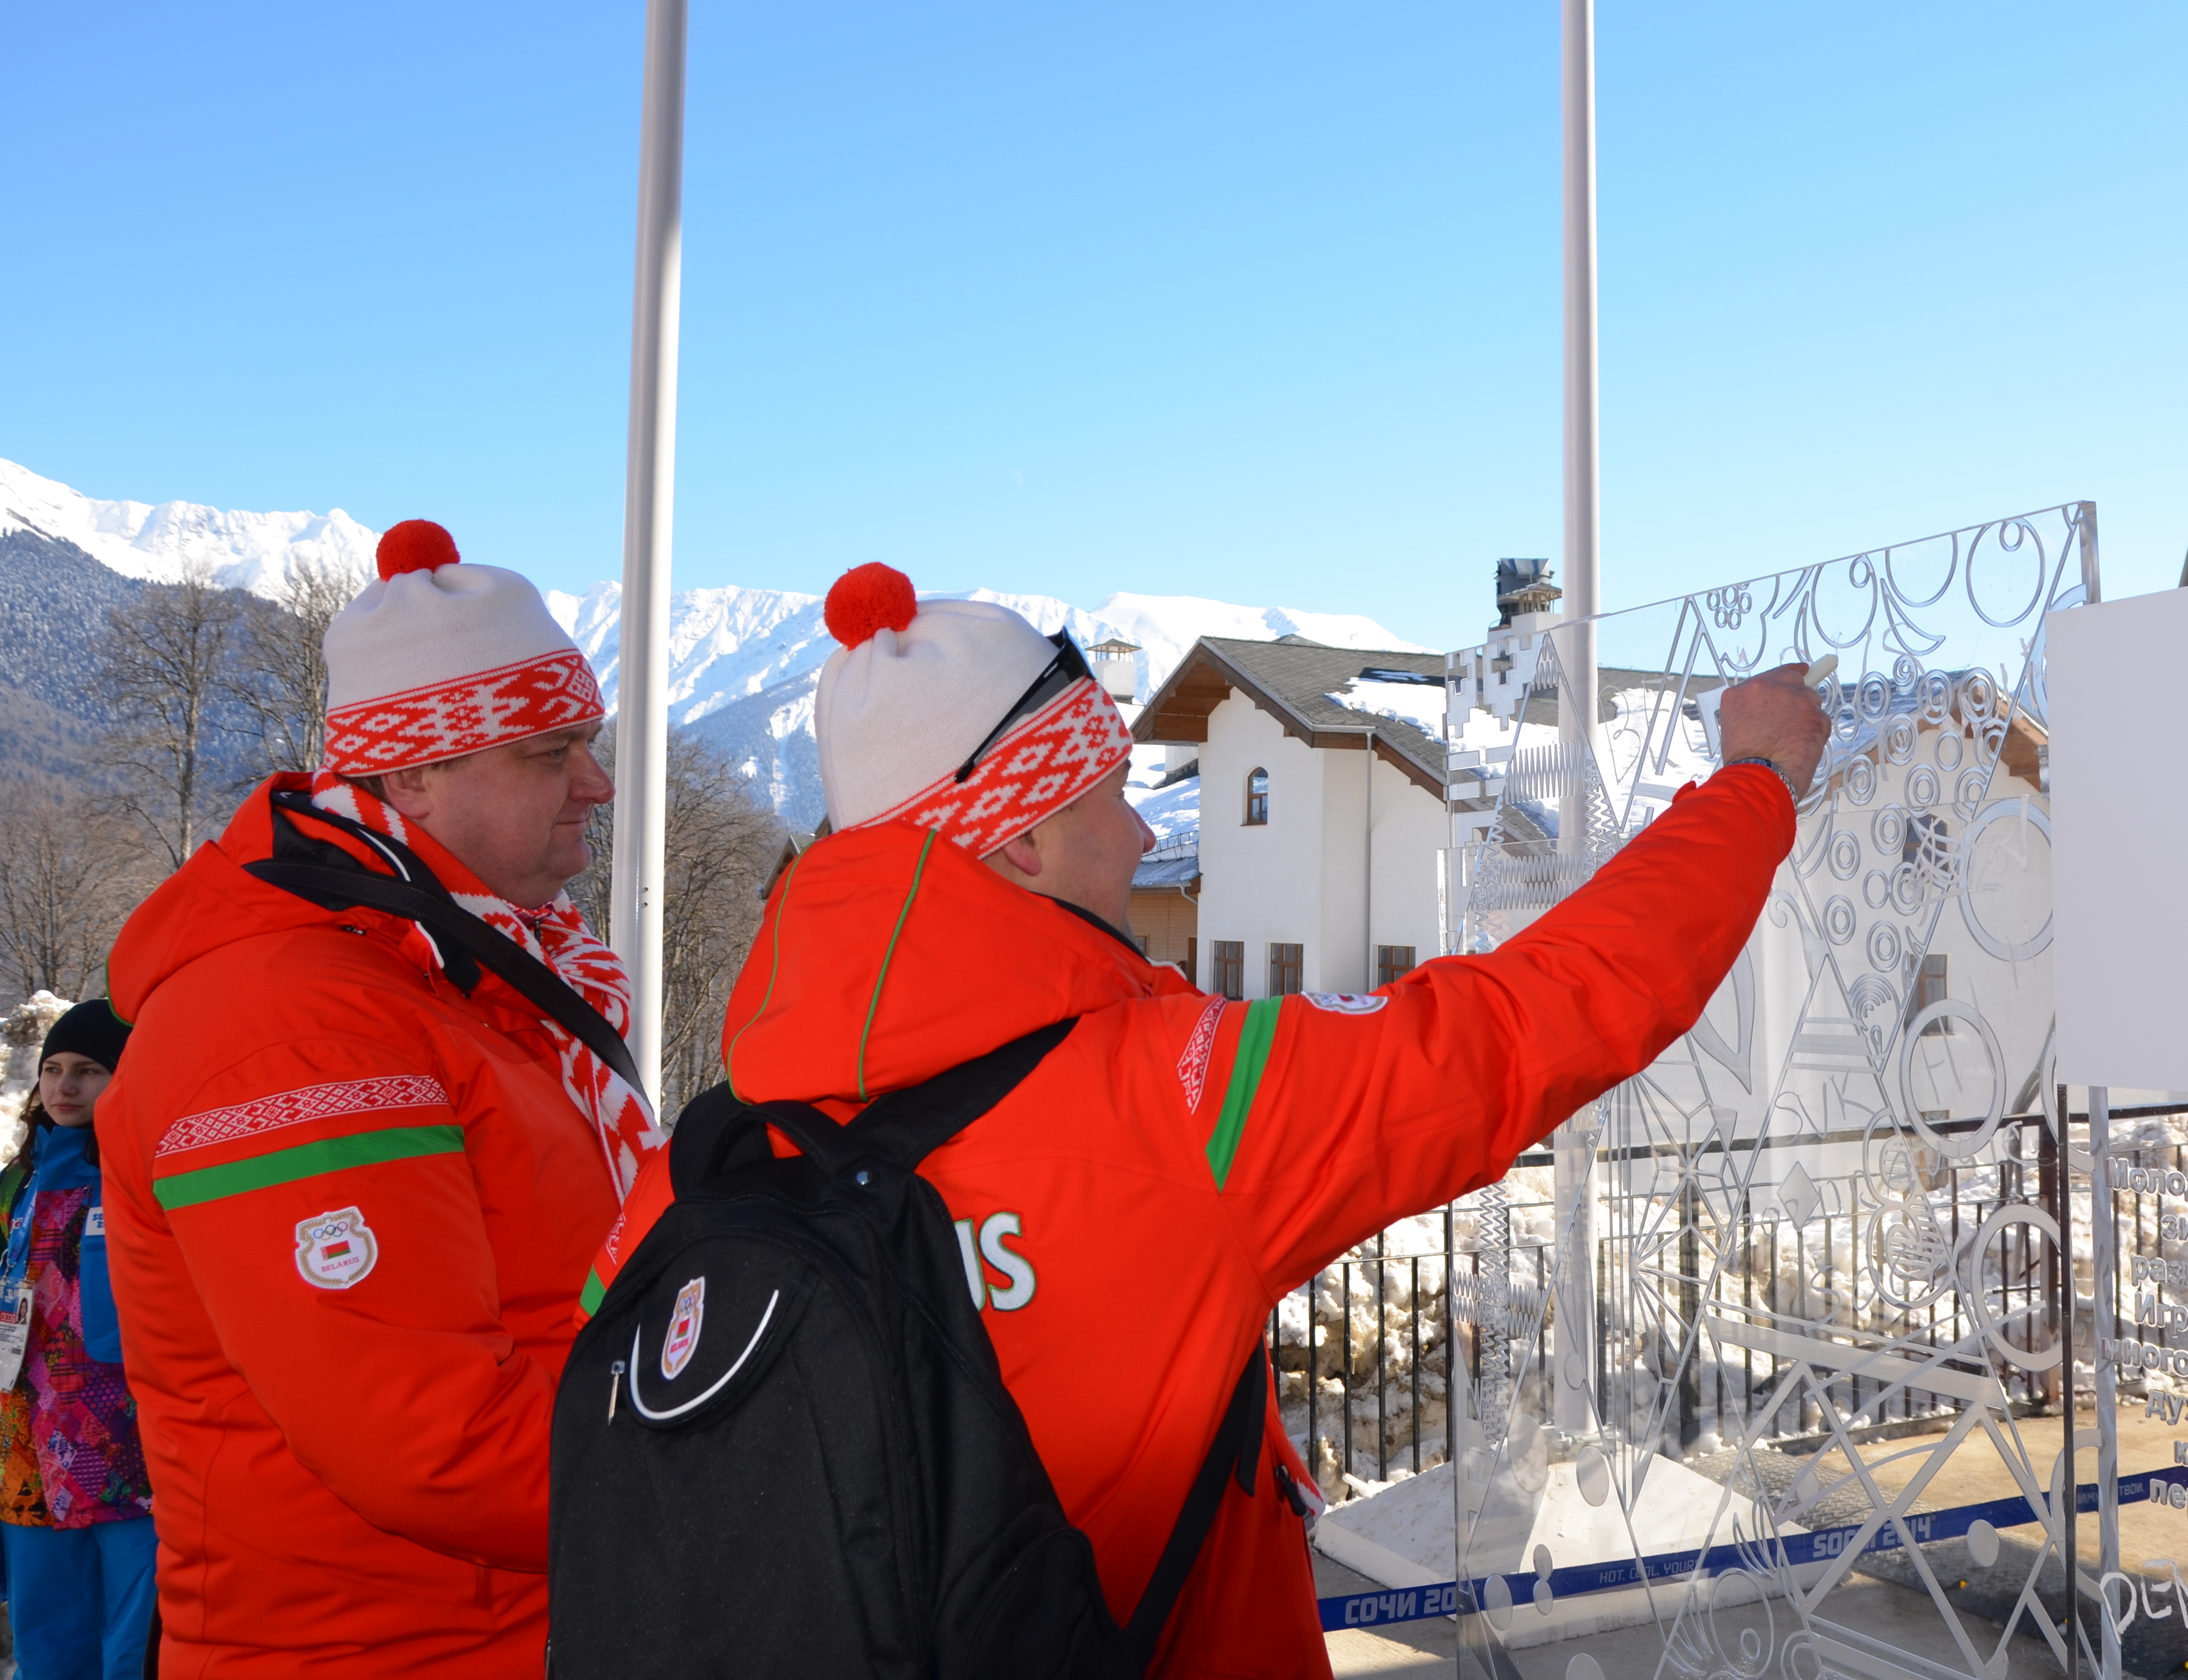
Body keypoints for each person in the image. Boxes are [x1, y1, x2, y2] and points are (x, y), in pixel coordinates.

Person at [582, 562, 1828, 1676]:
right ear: (1020, 840)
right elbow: (1526, 1024)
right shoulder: (1176, 1104)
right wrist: (1752, 787)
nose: (1141, 832)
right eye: (1108, 794)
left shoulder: (692, 1169)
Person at [96, 519, 653, 1678]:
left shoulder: (465, 974)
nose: (596, 783)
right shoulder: (293, 1027)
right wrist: (744, 1473)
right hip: (390, 1647)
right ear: (412, 774)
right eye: (550, 752)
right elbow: (433, 1445)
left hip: (520, 1623)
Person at [0, 1000, 157, 1680]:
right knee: (47, 1638)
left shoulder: (146, 1172)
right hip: (27, 1448)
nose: (64, 1087)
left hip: (127, 1445)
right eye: (53, 1069)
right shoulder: (18, 1179)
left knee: (134, 1641)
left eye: (89, 1070)